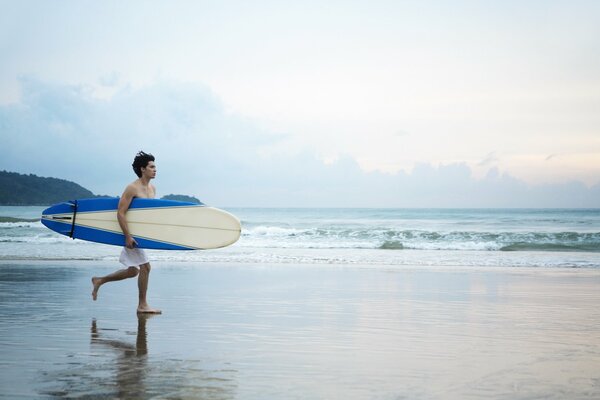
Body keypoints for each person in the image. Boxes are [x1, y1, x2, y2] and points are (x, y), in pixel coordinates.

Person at [92, 151, 161, 314]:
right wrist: (127, 236)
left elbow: (146, 215)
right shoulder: (132, 188)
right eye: (152, 167)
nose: (155, 169)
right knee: (146, 267)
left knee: (133, 271)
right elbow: (121, 212)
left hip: (140, 235)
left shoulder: (152, 189)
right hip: (131, 235)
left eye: (155, 166)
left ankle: (99, 280)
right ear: (142, 169)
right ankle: (142, 305)